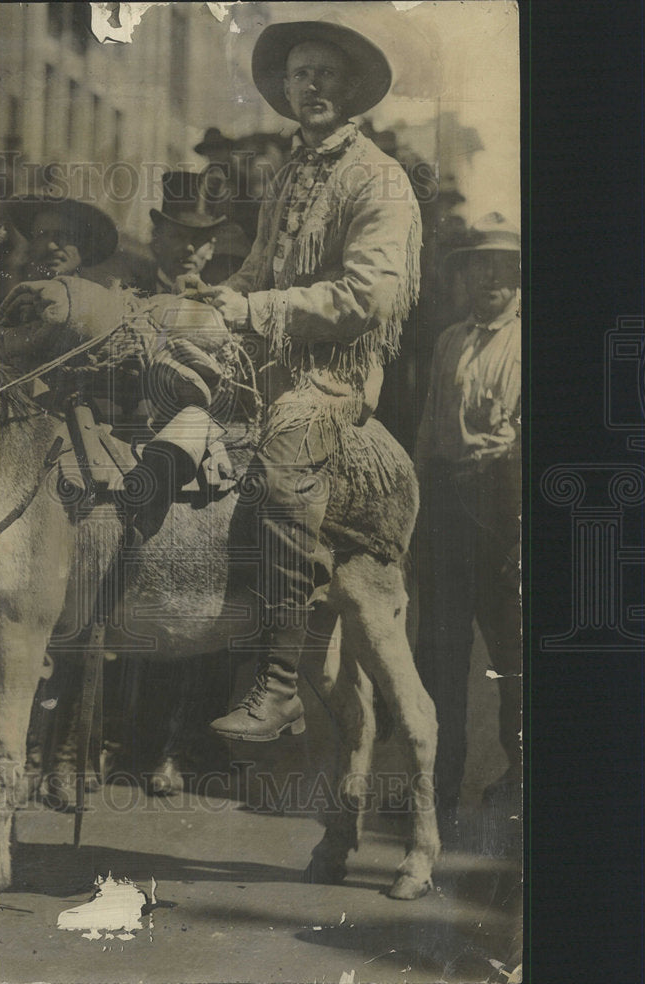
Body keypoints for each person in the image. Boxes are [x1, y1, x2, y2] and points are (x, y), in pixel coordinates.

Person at [181, 20, 423, 741]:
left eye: (324, 74)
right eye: (298, 76)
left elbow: (368, 296)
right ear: (284, 92)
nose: (311, 86)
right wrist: (215, 295)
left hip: (332, 379)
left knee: (286, 466)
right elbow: (259, 268)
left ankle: (280, 681)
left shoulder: (379, 177)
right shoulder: (292, 173)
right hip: (268, 361)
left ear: (350, 89)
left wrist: (255, 308)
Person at [413, 213, 522, 839]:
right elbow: (428, 432)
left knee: (512, 658)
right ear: (466, 277)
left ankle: (523, 780)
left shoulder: (528, 341)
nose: (493, 280)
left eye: (505, 271)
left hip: (503, 506)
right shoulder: (449, 341)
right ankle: (436, 789)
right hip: (447, 509)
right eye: (482, 267)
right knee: (439, 658)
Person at [0, 194, 118, 330]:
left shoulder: (98, 309)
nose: (52, 246)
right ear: (30, 243)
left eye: (65, 236)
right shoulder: (5, 300)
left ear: (85, 247)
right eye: (42, 235)